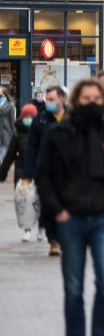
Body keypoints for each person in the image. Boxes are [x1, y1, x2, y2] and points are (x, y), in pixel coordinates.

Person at [35, 79, 104, 336]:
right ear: (76, 101)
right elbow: (45, 175)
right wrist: (58, 211)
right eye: (86, 98)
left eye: (96, 98)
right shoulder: (59, 133)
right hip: (71, 218)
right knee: (73, 288)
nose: (91, 102)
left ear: (103, 102)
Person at [27, 85, 67, 256]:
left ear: (62, 99)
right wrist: (28, 174)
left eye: (52, 99)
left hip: (69, 172)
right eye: (47, 99)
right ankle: (53, 241)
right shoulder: (41, 119)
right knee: (49, 206)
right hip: (46, 172)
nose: (48, 102)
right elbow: (32, 147)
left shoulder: (74, 118)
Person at [1, 103, 39, 241]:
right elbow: (9, 155)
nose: (28, 118)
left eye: (31, 116)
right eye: (26, 116)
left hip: (39, 171)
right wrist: (3, 172)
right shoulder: (17, 135)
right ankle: (27, 230)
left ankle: (41, 228)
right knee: (25, 202)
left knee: (39, 200)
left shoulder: (41, 132)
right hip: (22, 172)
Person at [0, 87, 16, 161]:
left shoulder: (10, 106)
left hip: (5, 132)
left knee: (3, 155)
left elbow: (12, 121)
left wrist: (14, 134)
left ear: (3, 93)